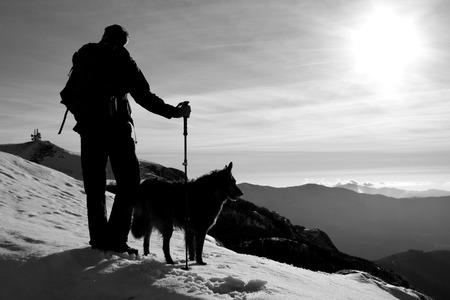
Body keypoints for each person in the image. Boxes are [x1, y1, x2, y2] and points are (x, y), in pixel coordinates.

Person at [60, 24, 191, 255]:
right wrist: (174, 112)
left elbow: (67, 94)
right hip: (116, 129)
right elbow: (145, 97)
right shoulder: (123, 60)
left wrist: (85, 116)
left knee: (95, 186)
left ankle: (99, 240)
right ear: (123, 42)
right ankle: (115, 240)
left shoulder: (84, 57)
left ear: (103, 36)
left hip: (89, 130)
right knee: (129, 184)